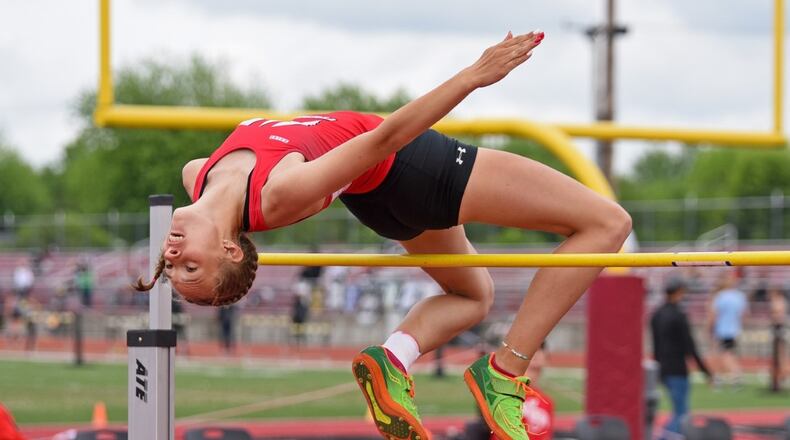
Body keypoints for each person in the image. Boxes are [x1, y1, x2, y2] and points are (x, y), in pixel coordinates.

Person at [135, 30, 632, 440]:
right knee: (608, 223)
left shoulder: (197, 175)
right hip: (412, 170)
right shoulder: (279, 193)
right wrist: (473, 77)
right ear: (227, 248)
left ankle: (393, 359)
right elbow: (385, 139)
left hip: (382, 202)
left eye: (174, 266)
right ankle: (505, 373)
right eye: (190, 268)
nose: (174, 255)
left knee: (472, 295)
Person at [650, 278, 713, 437]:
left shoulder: (656, 315)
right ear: (678, 292)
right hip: (677, 368)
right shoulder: (678, 316)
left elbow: (655, 345)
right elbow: (689, 347)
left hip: (663, 368)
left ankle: (666, 435)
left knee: (679, 411)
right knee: (682, 413)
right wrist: (705, 371)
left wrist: (658, 368)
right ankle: (665, 436)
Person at [707, 270, 748, 388]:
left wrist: (709, 328)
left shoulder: (720, 296)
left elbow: (713, 315)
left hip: (722, 330)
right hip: (734, 329)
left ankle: (735, 375)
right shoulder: (739, 296)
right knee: (726, 354)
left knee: (724, 355)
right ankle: (721, 378)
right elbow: (743, 315)